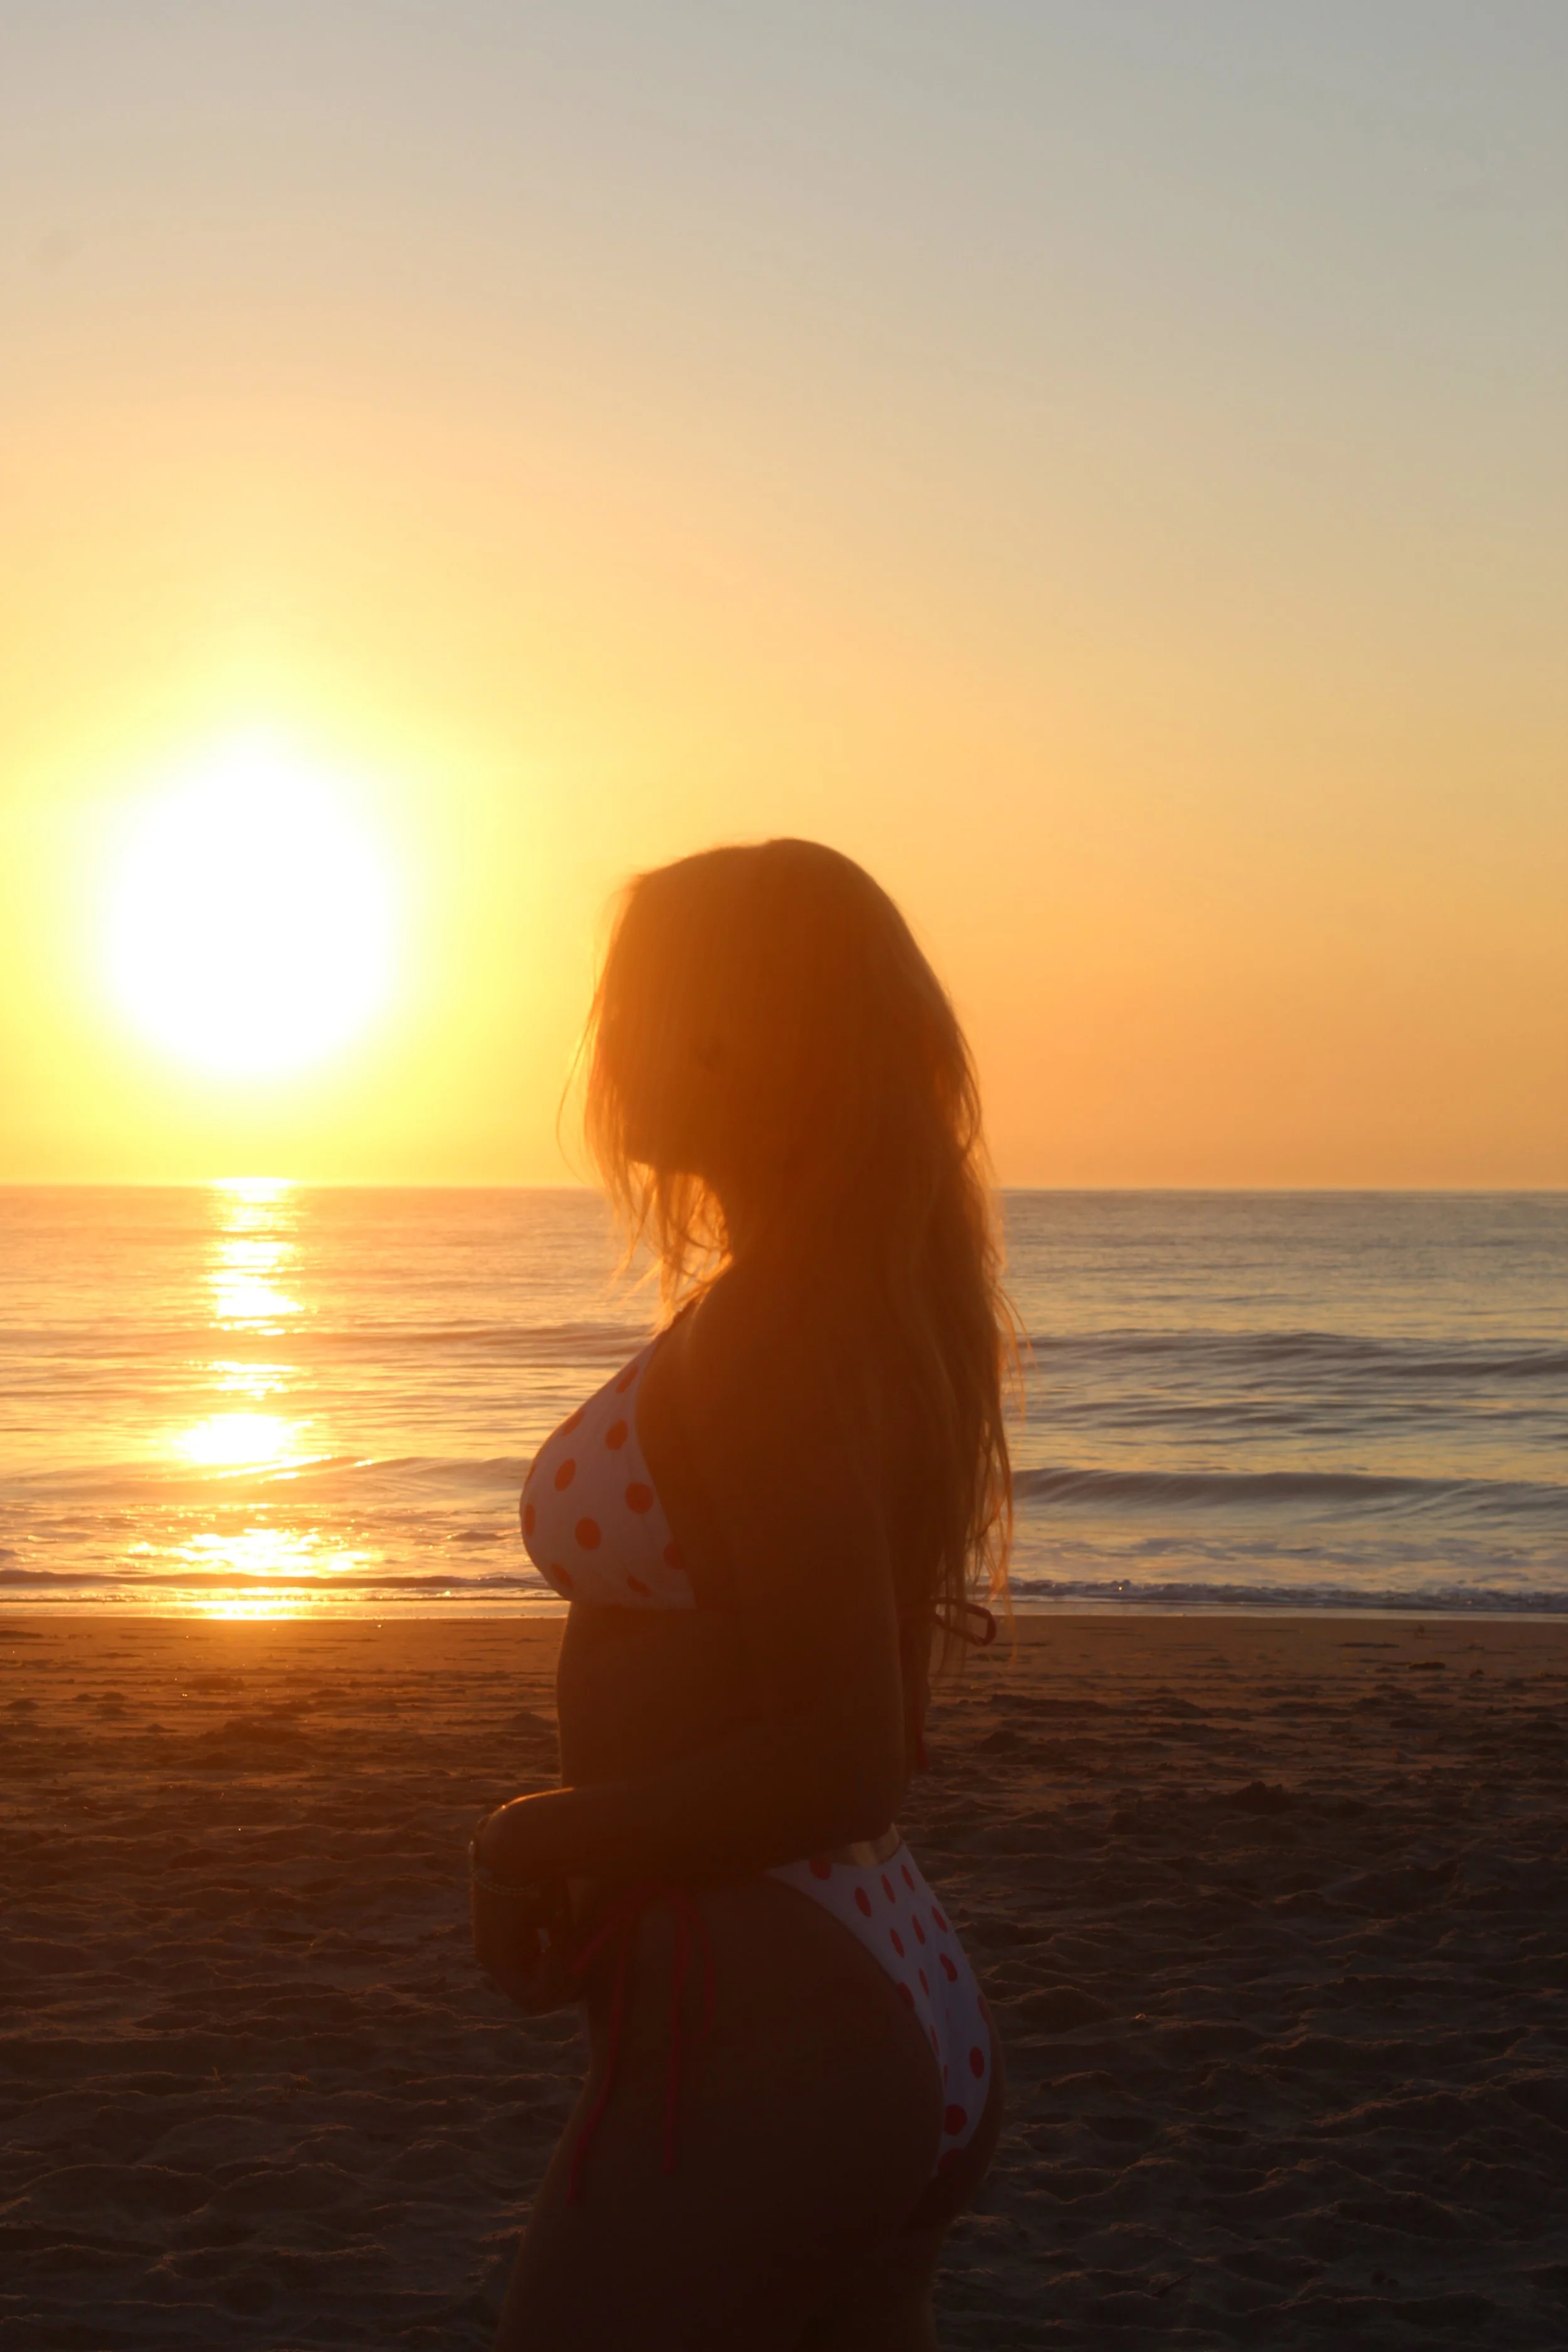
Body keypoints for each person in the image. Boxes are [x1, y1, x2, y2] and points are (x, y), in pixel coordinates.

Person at [471, 839, 1014, 2349]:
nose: (608, 1049)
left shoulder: (776, 1333)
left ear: (743, 1038)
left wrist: (536, 1834)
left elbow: (840, 1756)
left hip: (766, 2014)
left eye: (640, 1005)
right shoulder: (849, 1305)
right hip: (852, 1976)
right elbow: (876, 1728)